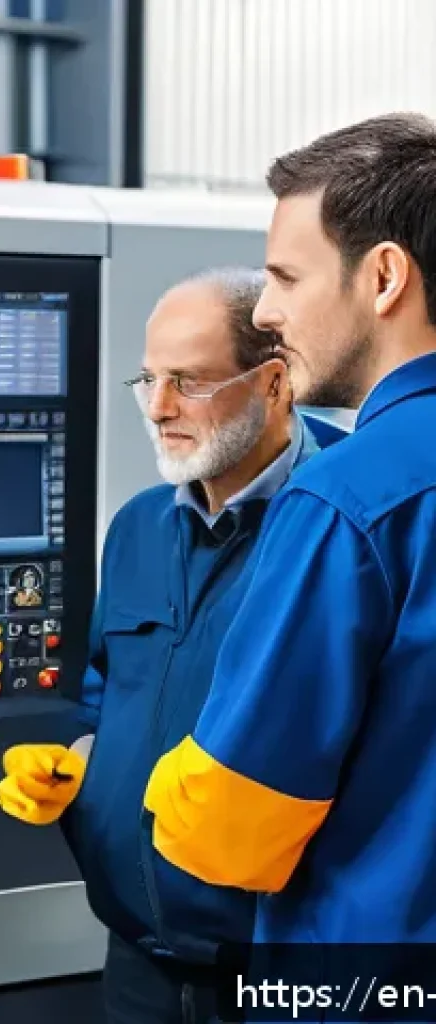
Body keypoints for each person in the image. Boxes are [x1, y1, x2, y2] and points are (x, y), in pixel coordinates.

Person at [0, 268, 341, 1023]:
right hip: (137, 965)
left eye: (188, 381)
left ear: (274, 383)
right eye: (148, 379)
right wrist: (76, 760)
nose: (158, 409)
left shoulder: (333, 528)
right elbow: (105, 690)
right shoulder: (139, 527)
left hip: (279, 973)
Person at [140, 112, 436, 998]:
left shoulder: (351, 501)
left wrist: (156, 773)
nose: (267, 312)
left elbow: (226, 833)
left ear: (383, 276)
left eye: (285, 276)